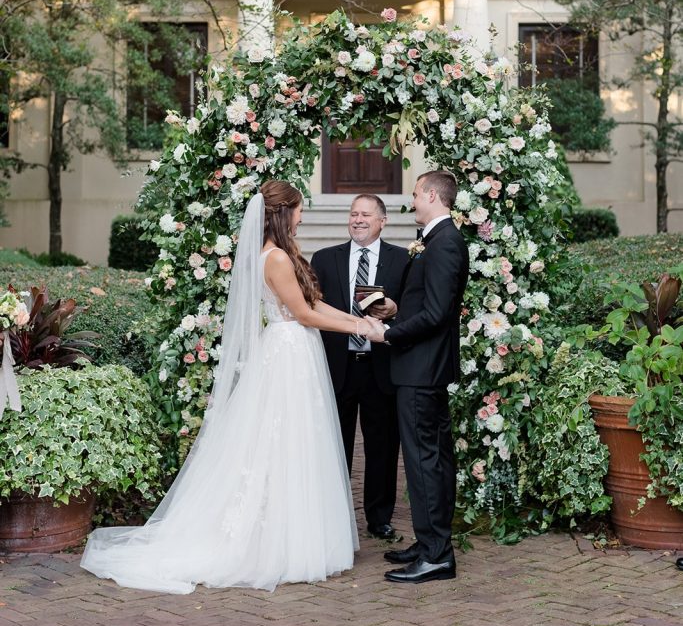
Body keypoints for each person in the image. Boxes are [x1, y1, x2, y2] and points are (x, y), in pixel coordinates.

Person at [81, 180, 382, 594]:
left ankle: (294, 537)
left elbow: (312, 303)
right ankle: (276, 545)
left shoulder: (280, 253)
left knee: (295, 443)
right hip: (288, 353)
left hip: (295, 351)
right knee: (281, 444)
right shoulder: (276, 258)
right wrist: (360, 329)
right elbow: (303, 314)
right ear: (283, 213)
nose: (301, 216)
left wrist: (358, 321)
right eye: (298, 209)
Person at [365, 170, 469, 584]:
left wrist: (389, 333)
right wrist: (395, 311)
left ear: (431, 195)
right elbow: (426, 303)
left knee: (425, 462)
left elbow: (438, 313)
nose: (411, 201)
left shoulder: (445, 243)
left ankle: (437, 555)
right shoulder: (437, 239)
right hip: (423, 368)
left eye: (415, 194)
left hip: (421, 369)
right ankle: (430, 543)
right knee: (433, 459)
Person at [311, 194, 409, 541]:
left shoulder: (403, 260)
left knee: (382, 447)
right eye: (354, 214)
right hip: (338, 366)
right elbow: (313, 308)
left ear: (383, 221)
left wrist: (395, 309)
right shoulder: (325, 258)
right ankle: (333, 516)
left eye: (366, 214)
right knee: (333, 444)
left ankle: (379, 518)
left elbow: (415, 309)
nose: (358, 219)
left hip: (380, 366)